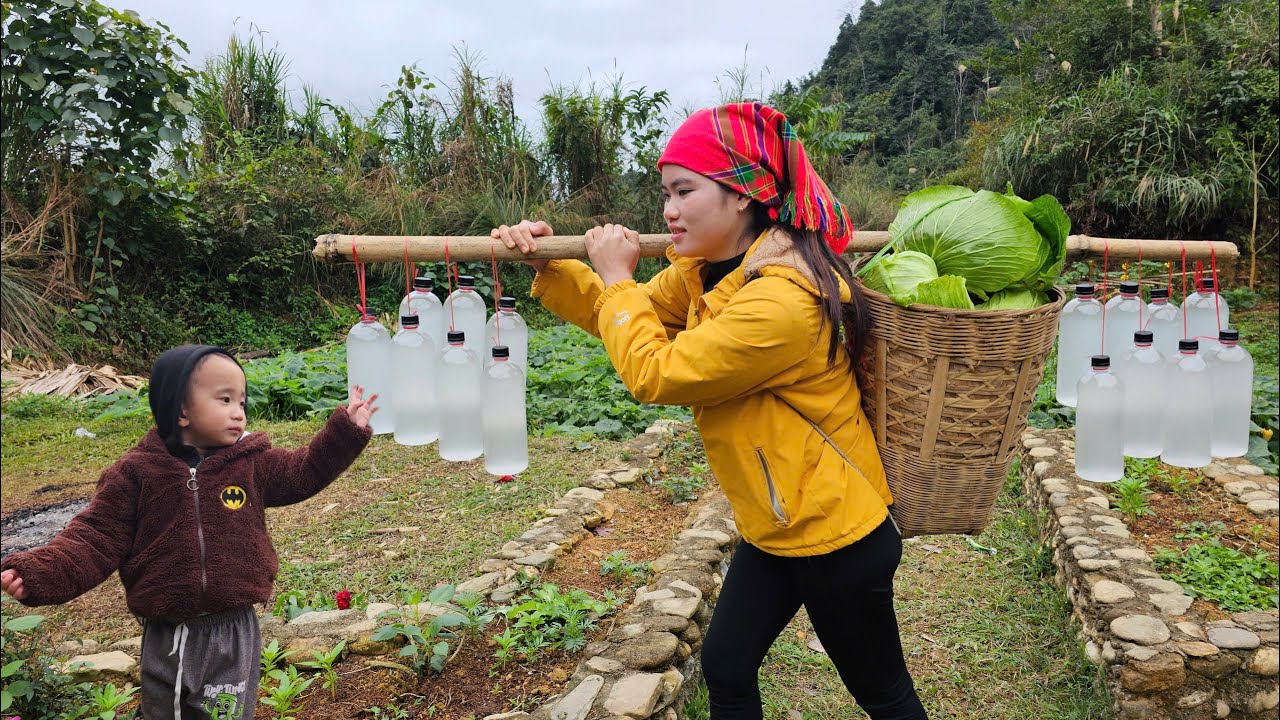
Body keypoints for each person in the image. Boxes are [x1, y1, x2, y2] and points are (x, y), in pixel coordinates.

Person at [492, 102, 927, 719]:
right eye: (664, 192)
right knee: (726, 669)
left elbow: (657, 371)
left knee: (883, 696)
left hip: (835, 535)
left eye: (684, 191)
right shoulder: (703, 271)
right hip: (775, 522)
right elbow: (623, 319)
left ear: (744, 195)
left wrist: (616, 278)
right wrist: (551, 266)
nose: (668, 210)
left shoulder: (783, 299)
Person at [1, 344, 378, 719]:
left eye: (242, 402)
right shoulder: (136, 475)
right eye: (225, 399)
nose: (239, 413)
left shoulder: (250, 465)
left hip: (236, 628)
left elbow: (304, 471)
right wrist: (40, 573)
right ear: (181, 410)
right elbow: (94, 537)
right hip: (173, 634)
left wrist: (344, 432)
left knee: (228, 714)